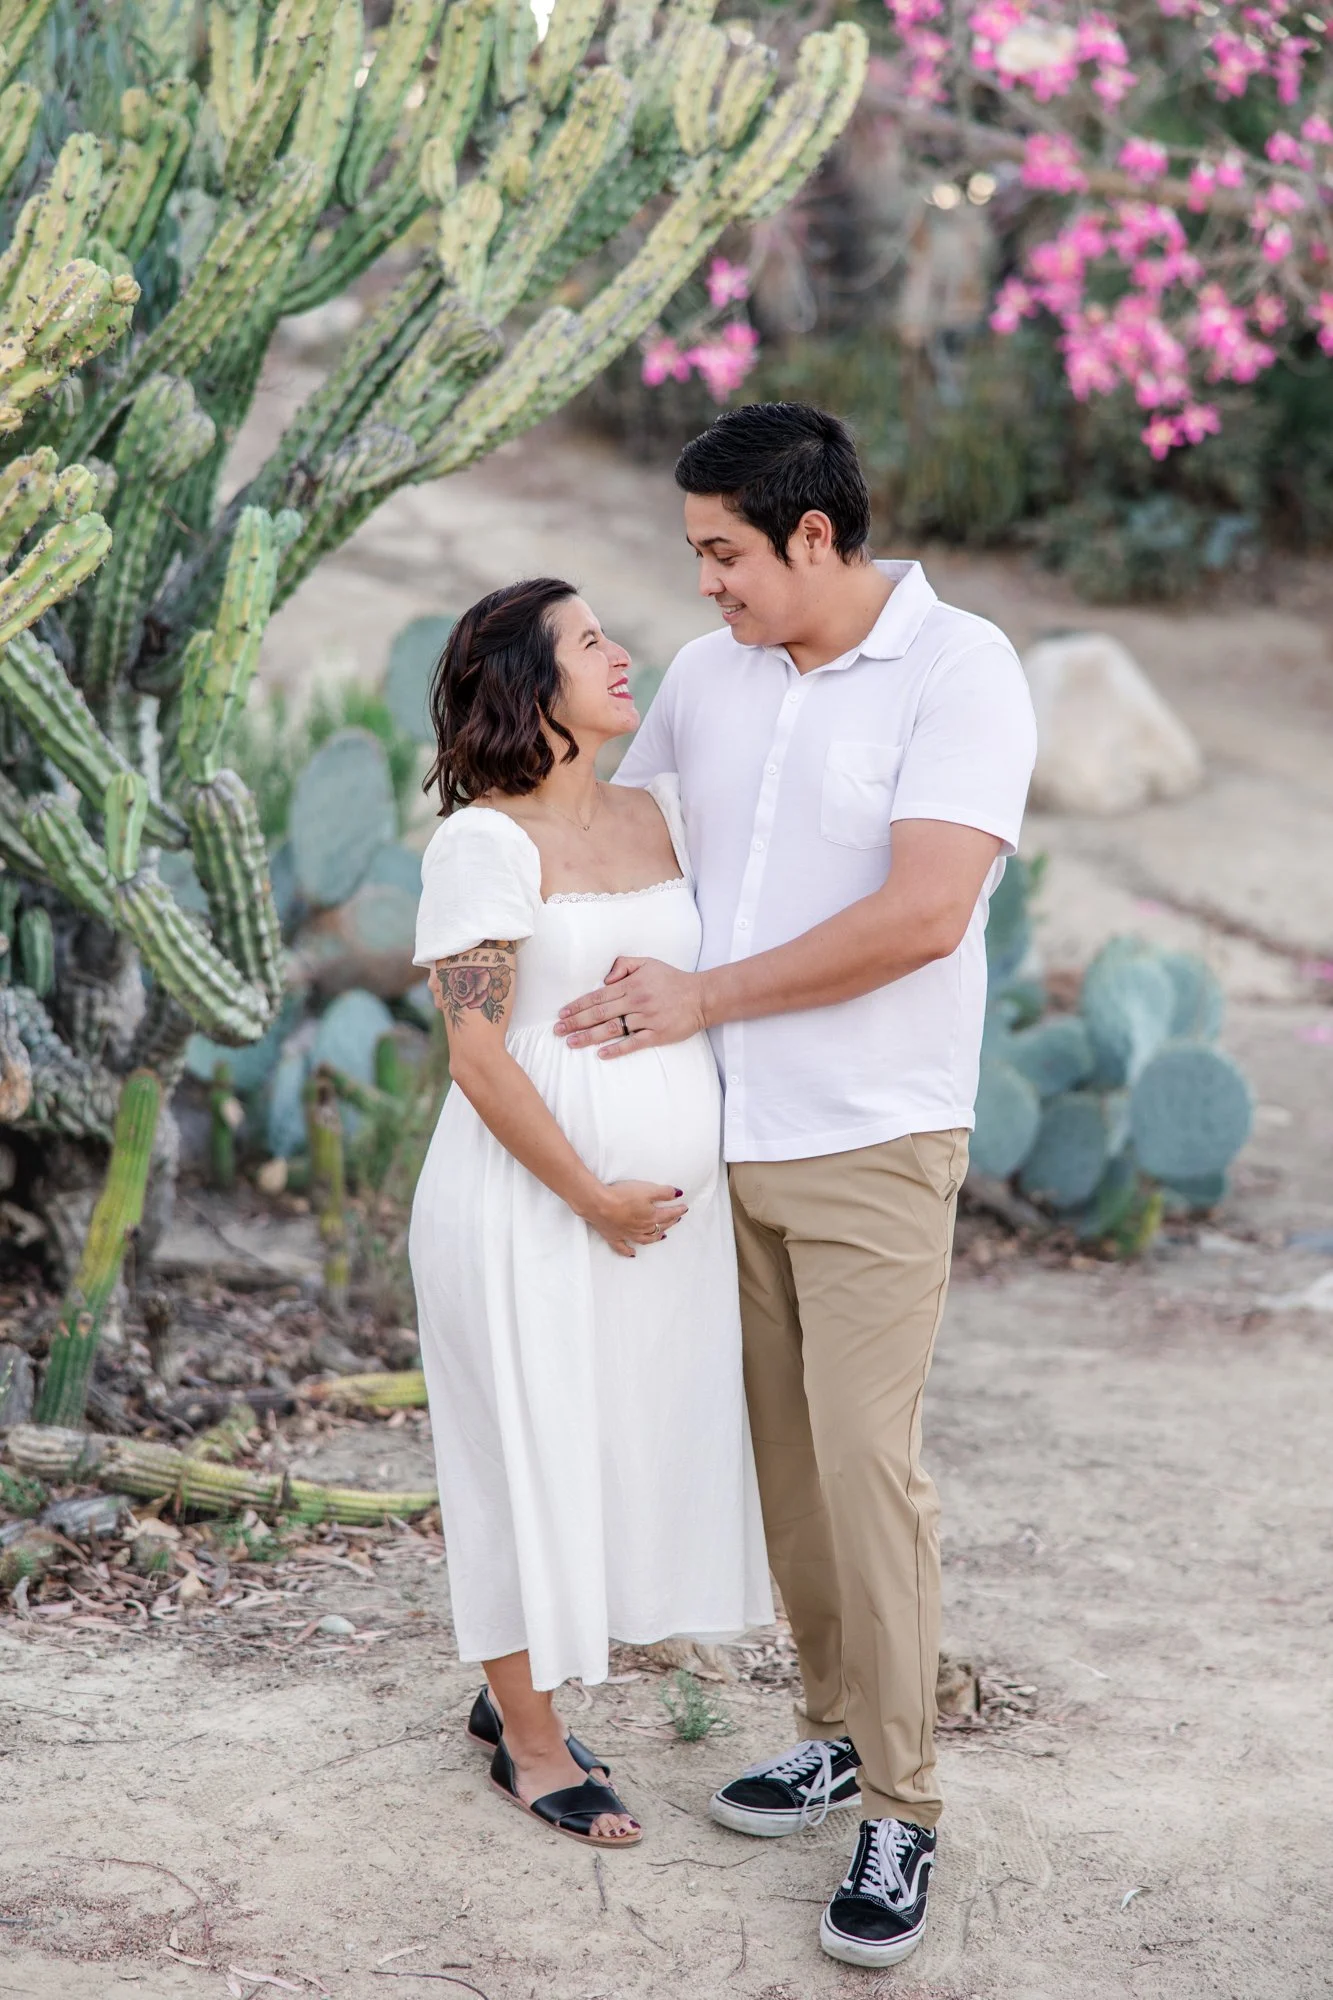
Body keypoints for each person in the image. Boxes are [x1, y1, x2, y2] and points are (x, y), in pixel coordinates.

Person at [555, 403, 1038, 1963]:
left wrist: (705, 998)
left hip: (875, 1135)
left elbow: (921, 917)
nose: (702, 588)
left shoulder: (961, 672)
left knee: (865, 1466)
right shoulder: (711, 677)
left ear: (814, 537)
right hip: (719, 1136)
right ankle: (832, 1726)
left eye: (723, 554)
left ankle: (900, 1809)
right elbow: (636, 836)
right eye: (696, 555)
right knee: (787, 1470)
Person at [408, 576, 772, 1852]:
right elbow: (475, 1053)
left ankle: (509, 1682)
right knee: (521, 1454)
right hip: (522, 1204)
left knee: (600, 1448)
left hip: (648, 1223)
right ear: (528, 682)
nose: (623, 654)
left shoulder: (663, 811)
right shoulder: (485, 843)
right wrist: (592, 1194)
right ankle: (534, 1736)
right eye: (588, 641)